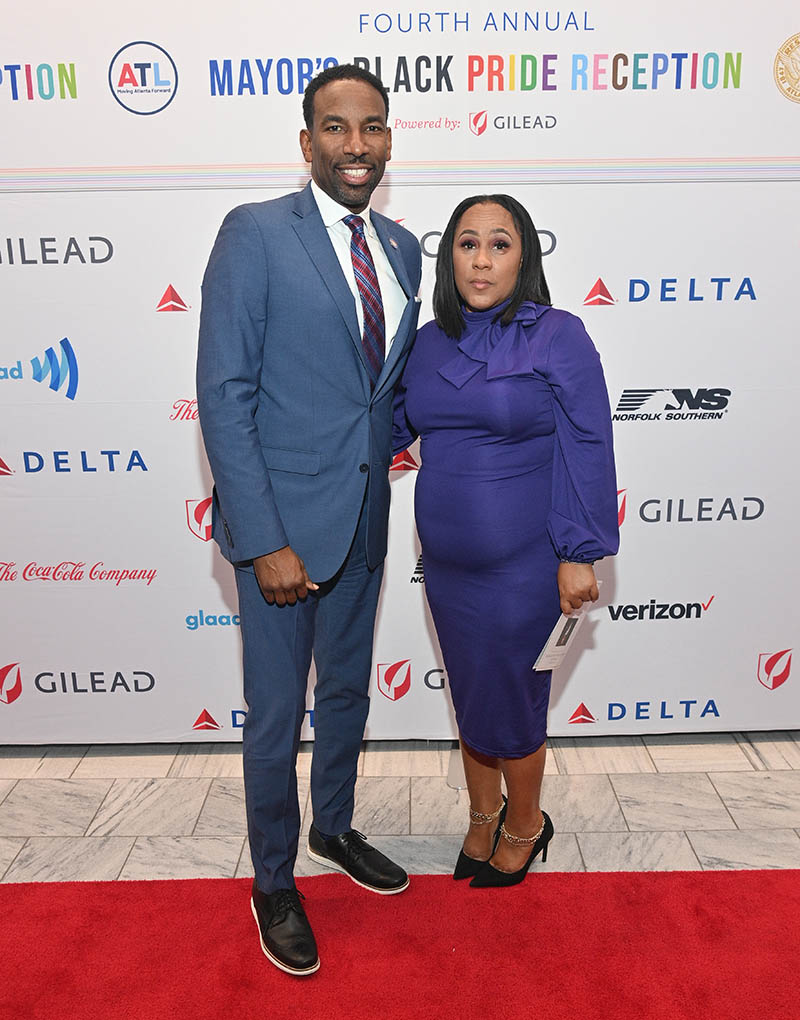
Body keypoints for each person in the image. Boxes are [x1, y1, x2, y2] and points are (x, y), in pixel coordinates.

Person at [197, 64, 422, 975]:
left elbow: (386, 393)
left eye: (371, 127)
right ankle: (274, 882)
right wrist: (262, 539)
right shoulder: (255, 234)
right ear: (307, 142)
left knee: (345, 699)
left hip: (365, 522)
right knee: (276, 712)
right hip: (283, 533)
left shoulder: (404, 247)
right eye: (336, 128)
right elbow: (225, 393)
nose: (356, 145)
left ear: (389, 140)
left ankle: (334, 827)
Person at [393, 194, 619, 887]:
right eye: (467, 244)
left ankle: (526, 822)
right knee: (471, 693)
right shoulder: (427, 341)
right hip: (448, 567)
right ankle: (482, 816)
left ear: (524, 257)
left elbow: (588, 443)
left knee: (514, 700)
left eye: (499, 243)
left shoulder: (557, 334)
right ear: (449, 257)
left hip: (526, 565)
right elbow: (391, 429)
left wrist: (580, 551)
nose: (482, 259)